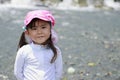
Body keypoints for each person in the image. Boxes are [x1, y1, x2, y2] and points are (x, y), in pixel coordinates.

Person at [14, 10, 63, 80]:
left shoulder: (55, 51)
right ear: (27, 32)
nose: (39, 32)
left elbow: (58, 72)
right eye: (34, 28)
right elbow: (17, 72)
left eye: (43, 27)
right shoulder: (24, 51)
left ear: (50, 30)